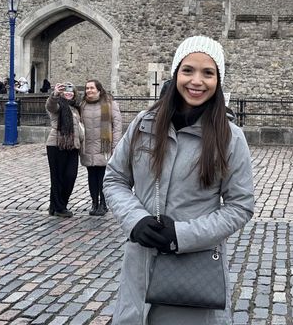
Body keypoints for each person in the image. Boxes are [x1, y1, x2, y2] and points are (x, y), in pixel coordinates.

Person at [103, 35, 254, 324]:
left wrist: (181, 236)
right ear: (176, 74)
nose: (196, 81)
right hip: (140, 267)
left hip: (192, 271)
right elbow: (115, 178)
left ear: (218, 80)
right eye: (188, 70)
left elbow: (240, 206)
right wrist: (135, 220)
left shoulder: (230, 137)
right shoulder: (144, 124)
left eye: (208, 73)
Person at [80, 79, 122, 216]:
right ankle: (94, 203)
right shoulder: (83, 105)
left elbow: (117, 125)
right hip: (88, 145)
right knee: (92, 176)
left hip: (105, 145)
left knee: (103, 177)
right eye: (87, 88)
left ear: (99, 89)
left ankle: (103, 203)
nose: (89, 91)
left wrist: (115, 145)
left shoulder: (108, 103)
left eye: (92, 88)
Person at [45, 81, 84, 218]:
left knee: (70, 176)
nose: (68, 92)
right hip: (56, 144)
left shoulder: (75, 108)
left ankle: (55, 205)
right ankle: (59, 208)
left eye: (71, 90)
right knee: (57, 178)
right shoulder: (58, 105)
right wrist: (55, 94)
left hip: (72, 146)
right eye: (66, 90)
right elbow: (50, 105)